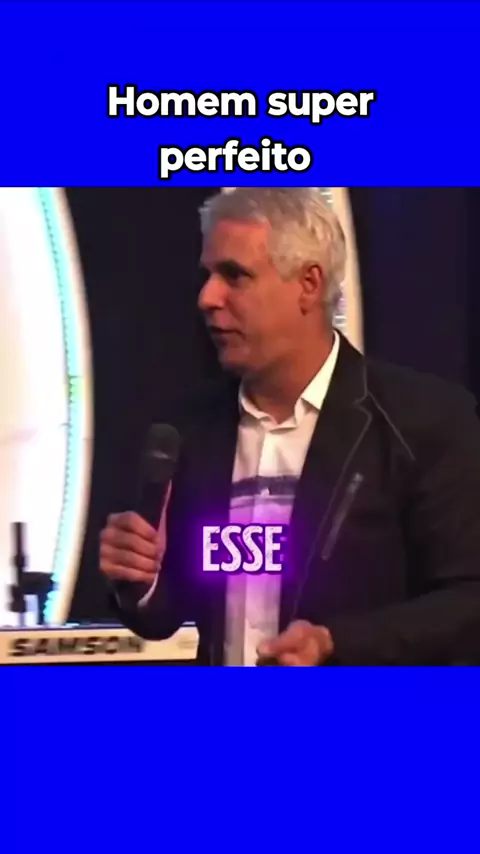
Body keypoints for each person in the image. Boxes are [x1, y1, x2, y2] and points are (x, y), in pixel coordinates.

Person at [100, 187, 480, 665]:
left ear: (308, 285)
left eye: (234, 275)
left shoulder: (423, 422)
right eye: (207, 275)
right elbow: (169, 612)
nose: (207, 298)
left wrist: (336, 645)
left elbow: (467, 603)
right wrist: (141, 579)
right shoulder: (192, 431)